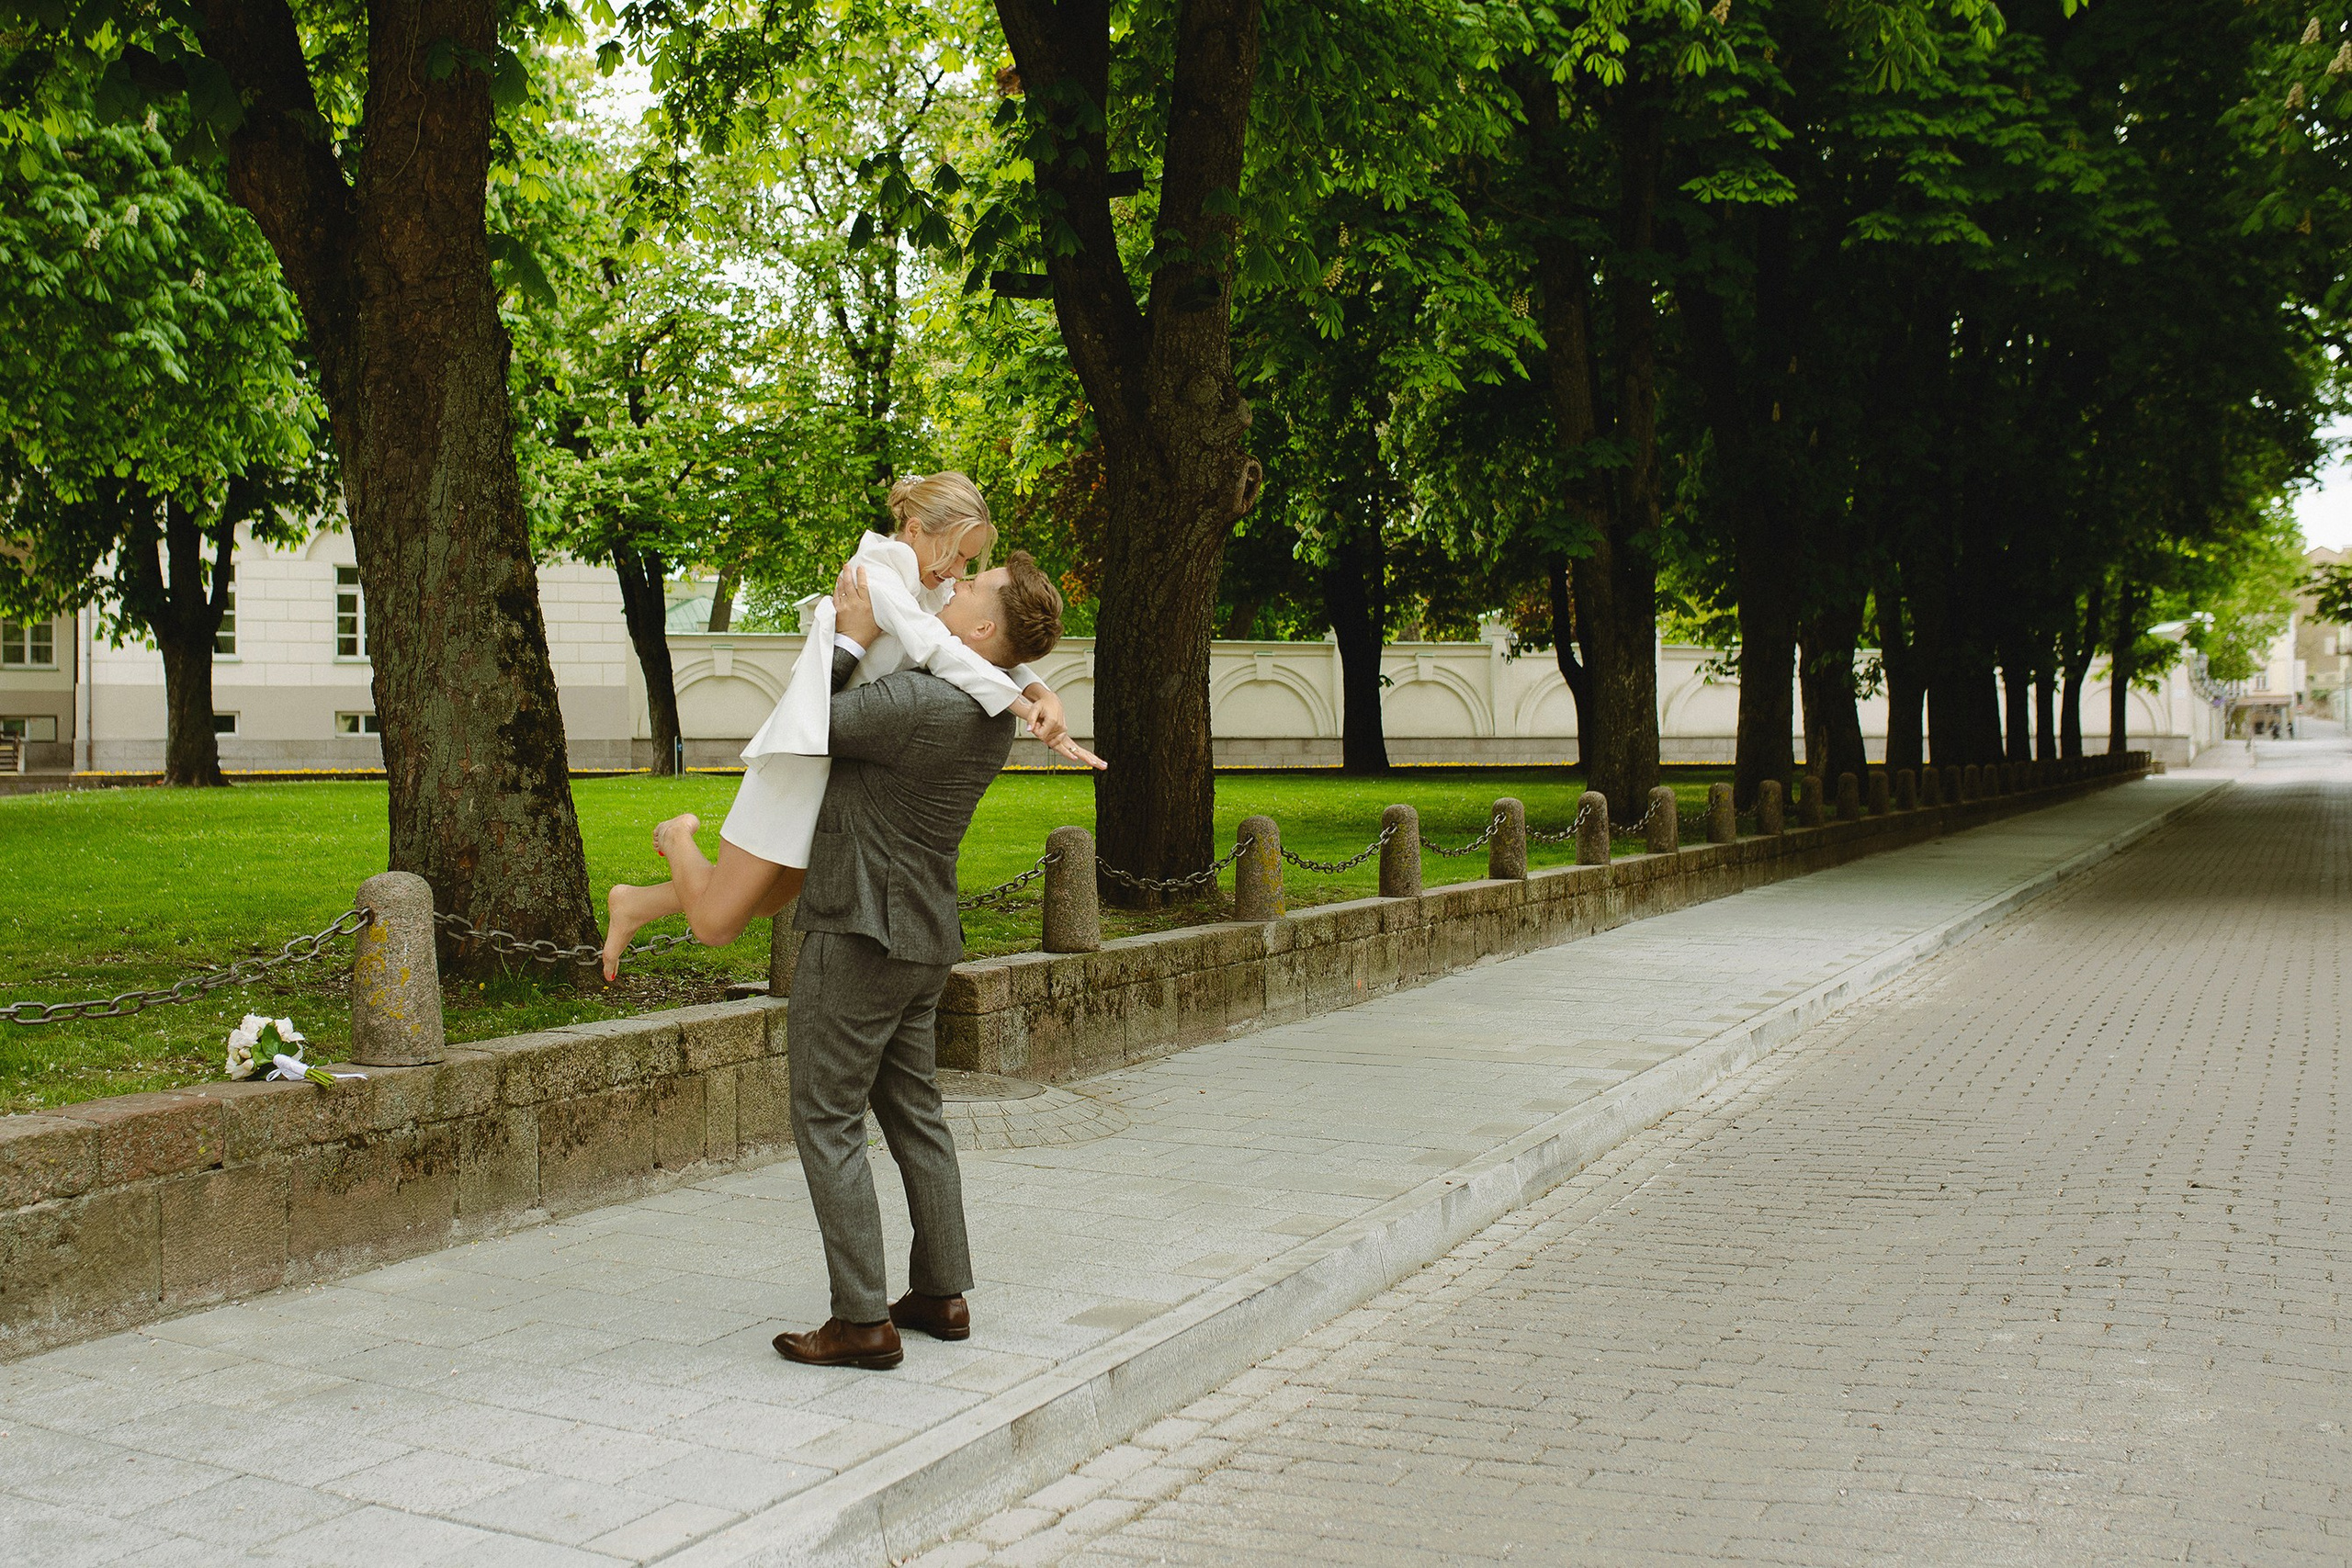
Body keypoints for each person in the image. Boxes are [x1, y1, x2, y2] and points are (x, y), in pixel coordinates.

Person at [601, 474, 1101, 977]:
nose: (957, 573)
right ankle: (677, 834)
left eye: (968, 564)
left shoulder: (926, 580)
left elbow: (983, 641)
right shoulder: (877, 578)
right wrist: (1023, 703)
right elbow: (940, 648)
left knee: (765, 899)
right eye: (956, 557)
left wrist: (1043, 691)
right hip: (797, 764)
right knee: (716, 925)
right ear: (914, 529)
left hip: (833, 770)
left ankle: (632, 904)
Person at [770, 550, 1069, 1369]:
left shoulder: (915, 702)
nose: (955, 583)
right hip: (925, 936)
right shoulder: (993, 713)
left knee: (826, 1115)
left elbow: (805, 723)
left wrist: (846, 637)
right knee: (916, 1115)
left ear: (980, 629)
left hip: (860, 929)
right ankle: (941, 1291)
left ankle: (862, 1319)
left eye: (973, 588)